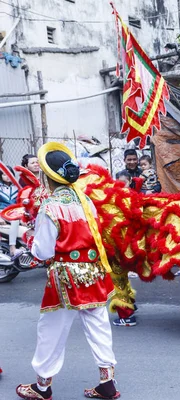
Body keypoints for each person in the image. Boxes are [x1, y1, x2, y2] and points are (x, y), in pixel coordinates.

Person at [16, 142, 120, 400]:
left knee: (51, 328)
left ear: (47, 177)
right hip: (93, 271)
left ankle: (42, 387)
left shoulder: (50, 207)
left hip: (64, 277)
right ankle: (108, 383)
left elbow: (43, 251)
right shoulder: (84, 200)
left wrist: (29, 241)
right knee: (98, 325)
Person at [0, 165, 19, 256]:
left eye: (9, 174)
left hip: (15, 211)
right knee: (15, 220)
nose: (7, 176)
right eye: (4, 174)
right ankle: (12, 246)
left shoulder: (17, 187)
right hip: (2, 211)